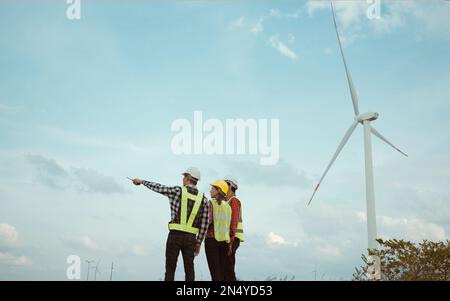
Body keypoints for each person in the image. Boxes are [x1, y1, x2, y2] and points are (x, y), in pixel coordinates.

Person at [130, 167, 209, 281]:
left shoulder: (178, 191)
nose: (183, 179)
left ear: (187, 178)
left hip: (175, 236)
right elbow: (204, 224)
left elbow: (159, 188)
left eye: (184, 177)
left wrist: (142, 182)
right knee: (189, 270)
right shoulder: (204, 200)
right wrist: (198, 242)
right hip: (191, 239)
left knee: (170, 269)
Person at [204, 180, 232, 281]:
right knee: (221, 274)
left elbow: (208, 221)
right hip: (224, 243)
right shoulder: (228, 206)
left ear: (218, 191)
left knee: (215, 275)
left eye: (212, 189)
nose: (210, 191)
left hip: (212, 241)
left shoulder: (211, 204)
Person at [224, 177, 244, 281]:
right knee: (226, 265)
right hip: (229, 238)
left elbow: (234, 222)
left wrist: (231, 241)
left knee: (228, 266)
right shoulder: (226, 202)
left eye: (225, 184)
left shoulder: (234, 201)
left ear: (231, 186)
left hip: (233, 238)